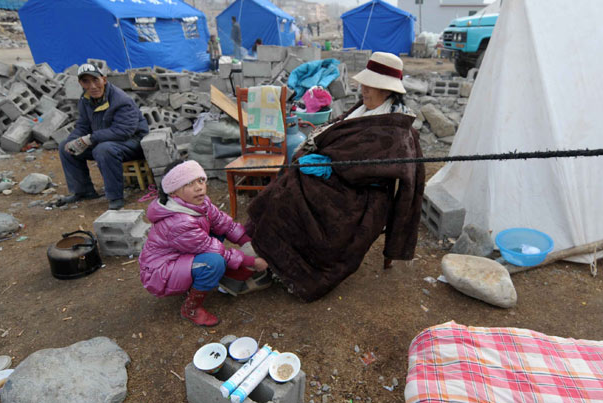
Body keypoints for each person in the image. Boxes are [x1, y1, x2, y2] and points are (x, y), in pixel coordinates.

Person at [244, 51, 425, 301]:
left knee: (295, 190)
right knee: (290, 180)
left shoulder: (395, 130)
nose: (364, 89)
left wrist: (331, 164)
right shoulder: (364, 109)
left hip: (361, 193)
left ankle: (293, 266)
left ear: (387, 91)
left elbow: (374, 168)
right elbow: (337, 128)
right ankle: (265, 246)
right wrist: (316, 150)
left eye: (371, 85)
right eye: (364, 83)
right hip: (339, 178)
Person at [138, 161, 270, 327]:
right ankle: (191, 308)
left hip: (179, 256)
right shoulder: (178, 221)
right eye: (189, 184)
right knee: (214, 262)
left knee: (218, 231)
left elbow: (225, 224)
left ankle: (210, 278)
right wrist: (253, 261)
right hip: (161, 272)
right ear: (173, 192)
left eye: (200, 180)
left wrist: (250, 244)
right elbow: (216, 251)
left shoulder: (200, 204)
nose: (199, 188)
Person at [58, 63, 149, 210]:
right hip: (105, 139)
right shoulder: (85, 99)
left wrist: (90, 139)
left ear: (104, 80)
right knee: (65, 147)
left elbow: (123, 131)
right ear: (81, 83)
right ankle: (83, 191)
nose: (92, 86)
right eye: (86, 82)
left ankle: (115, 197)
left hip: (133, 142)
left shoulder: (121, 100)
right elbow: (83, 126)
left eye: (95, 80)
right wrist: (72, 141)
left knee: (103, 149)